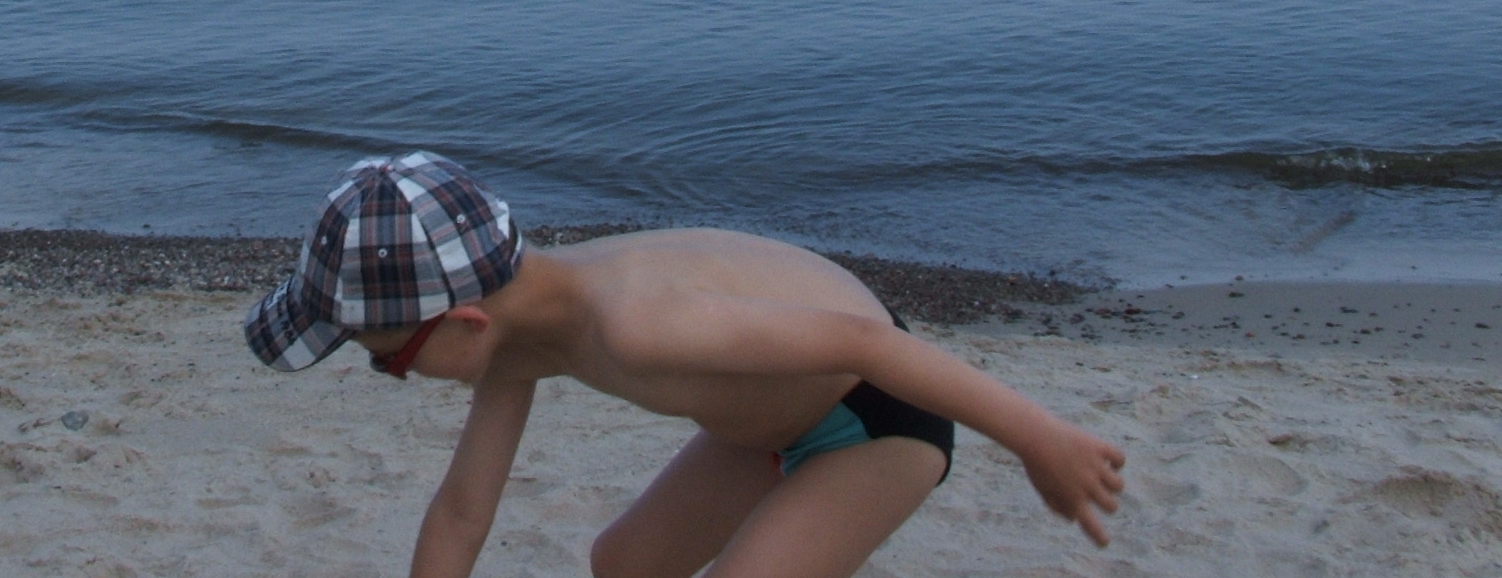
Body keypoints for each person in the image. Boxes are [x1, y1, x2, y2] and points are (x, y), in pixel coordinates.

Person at [247, 151, 1126, 578]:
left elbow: (871, 345)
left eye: (389, 361)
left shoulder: (633, 322)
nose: (396, 376)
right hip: (763, 427)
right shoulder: (516, 339)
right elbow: (462, 510)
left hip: (877, 418)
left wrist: (1040, 440)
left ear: (463, 323)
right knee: (624, 565)